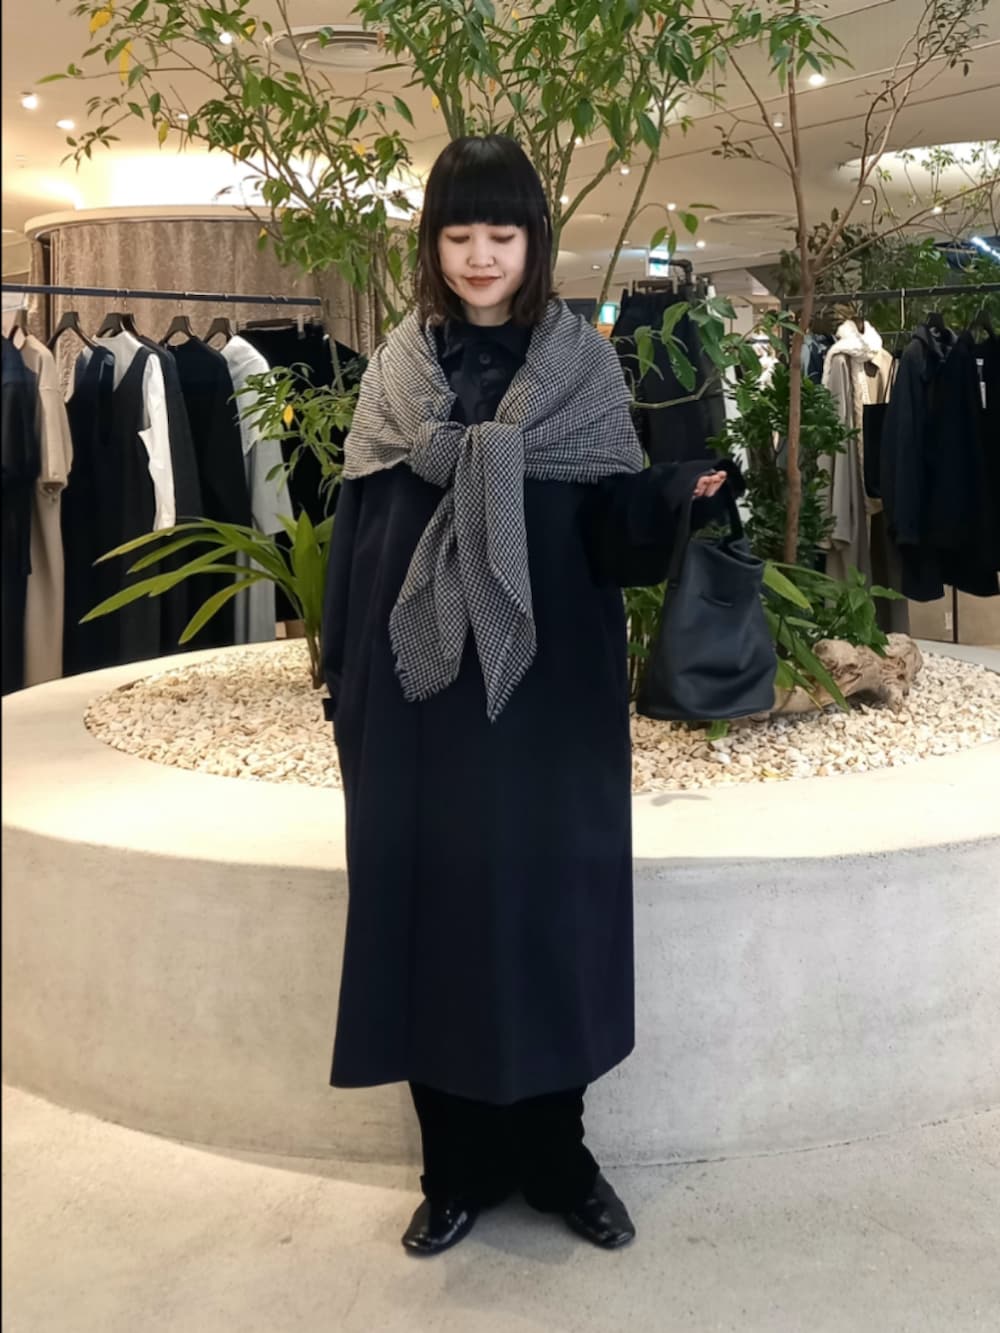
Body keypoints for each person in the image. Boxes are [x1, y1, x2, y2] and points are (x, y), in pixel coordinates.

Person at [320, 134, 738, 1256]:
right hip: (420, 696)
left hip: (549, 693)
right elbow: (360, 533)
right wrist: (341, 675)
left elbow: (605, 529)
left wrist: (670, 493)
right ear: (431, 243)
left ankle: (559, 1162)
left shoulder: (580, 372)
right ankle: (454, 1169)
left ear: (534, 241)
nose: (479, 256)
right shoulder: (397, 376)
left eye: (500, 234)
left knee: (551, 913)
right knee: (436, 917)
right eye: (458, 234)